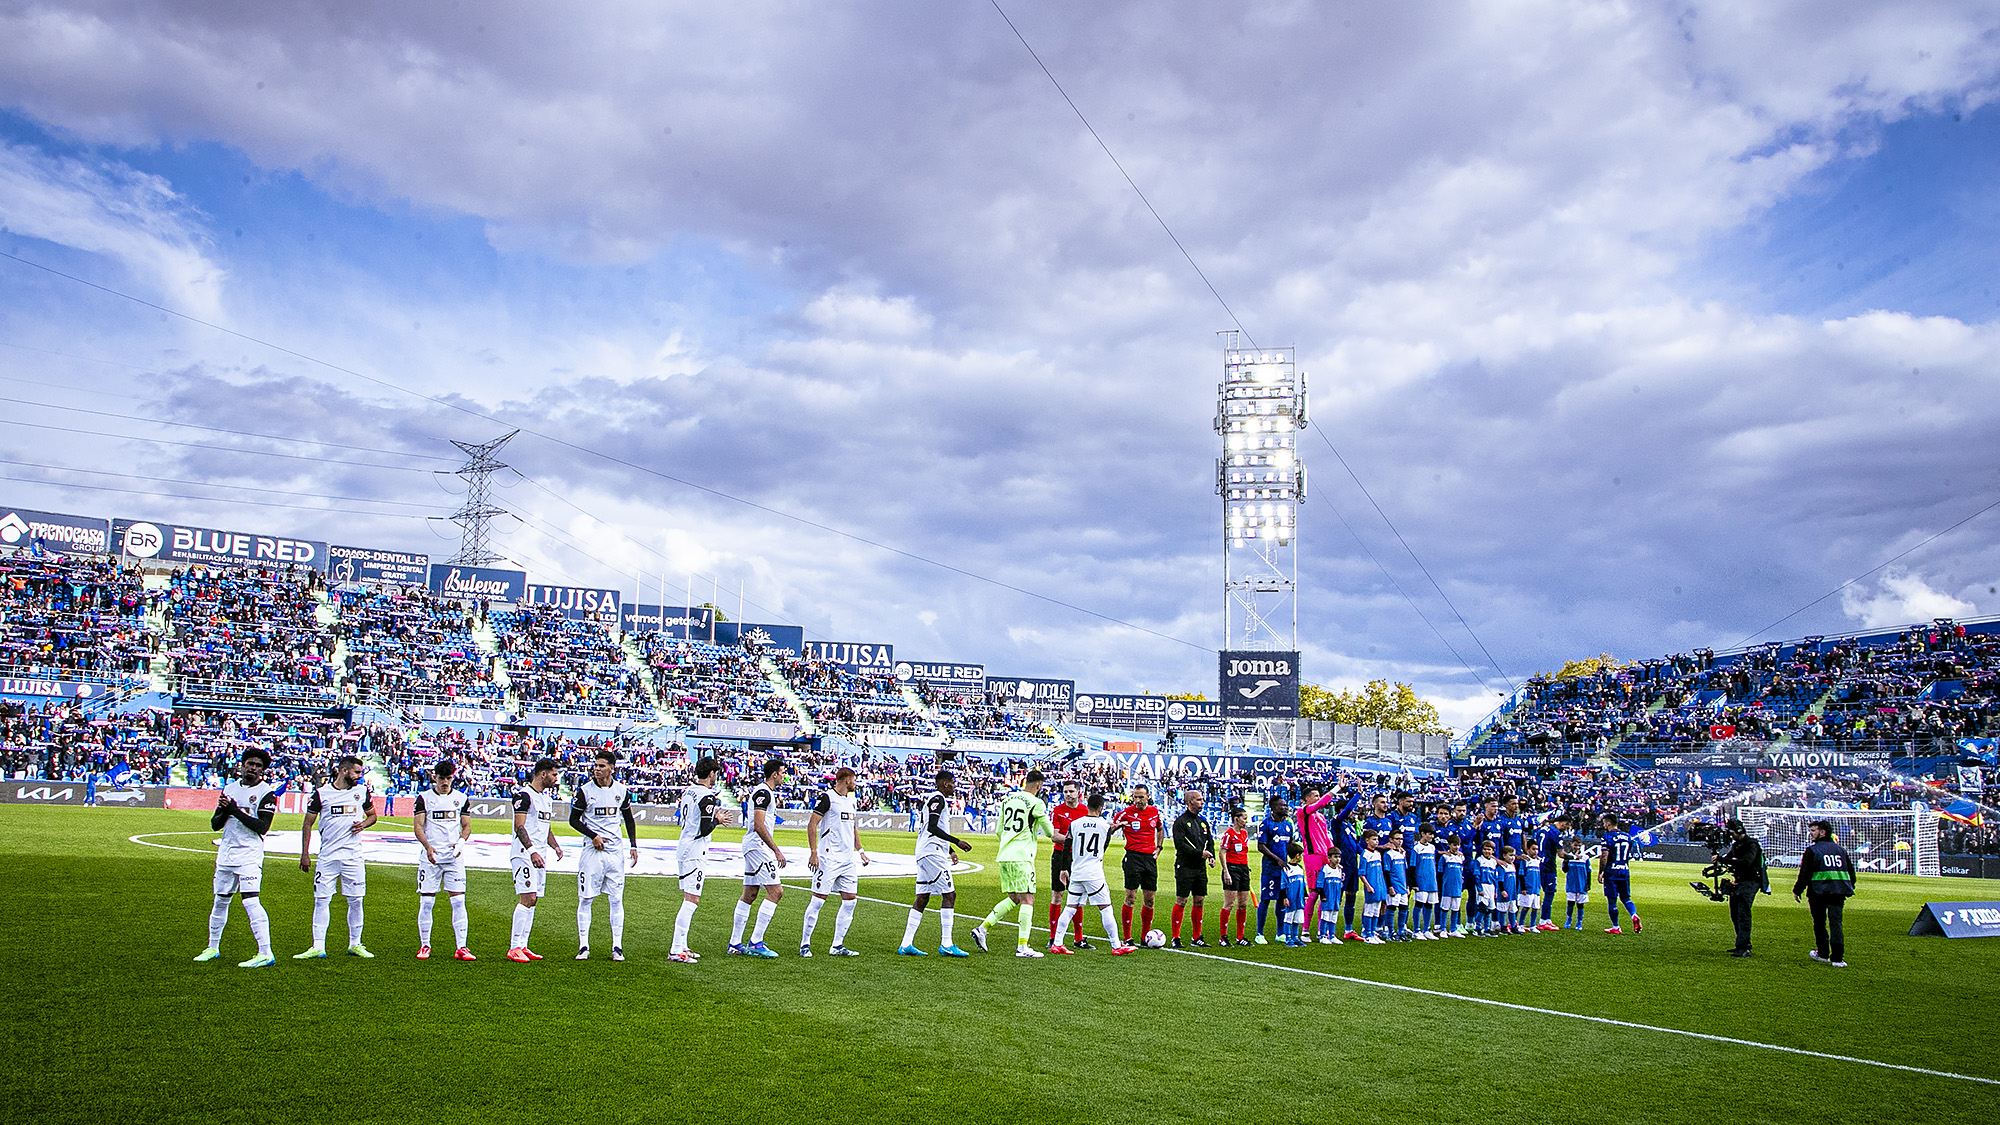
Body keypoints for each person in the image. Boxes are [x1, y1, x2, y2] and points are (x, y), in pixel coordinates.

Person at [193, 746, 278, 968]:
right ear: (242, 765)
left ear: (263, 771)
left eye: (258, 766)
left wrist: (234, 811)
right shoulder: (229, 788)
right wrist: (224, 810)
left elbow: (262, 826)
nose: (253, 768)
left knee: (250, 900)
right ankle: (213, 947)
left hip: (249, 854)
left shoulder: (266, 793)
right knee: (220, 900)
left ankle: (265, 953)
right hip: (227, 853)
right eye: (250, 763)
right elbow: (215, 824)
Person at [972, 768, 1061, 958]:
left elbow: (998, 831)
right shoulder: (1036, 803)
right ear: (1038, 785)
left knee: (1014, 897)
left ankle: (983, 928)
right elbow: (1050, 833)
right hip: (1022, 856)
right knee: (1028, 899)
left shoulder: (1008, 799)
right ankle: (1022, 946)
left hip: (1005, 854)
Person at [296, 755, 378, 959]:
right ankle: (318, 946)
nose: (360, 776)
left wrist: (363, 824)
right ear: (343, 770)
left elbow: (373, 816)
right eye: (357, 772)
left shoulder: (362, 791)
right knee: (321, 900)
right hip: (328, 856)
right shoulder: (321, 794)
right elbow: (308, 823)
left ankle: (355, 944)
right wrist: (305, 854)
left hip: (353, 856)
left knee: (356, 900)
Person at [1050, 792, 1138, 956]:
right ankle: (1116, 945)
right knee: (1105, 908)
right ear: (1100, 808)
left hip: (1076, 871)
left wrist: (1064, 869)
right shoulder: (1104, 825)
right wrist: (1113, 829)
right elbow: (1103, 848)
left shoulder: (1075, 823)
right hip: (1093, 873)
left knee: (1070, 907)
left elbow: (1067, 845)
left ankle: (1057, 943)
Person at [900, 769, 975, 957]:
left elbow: (931, 828)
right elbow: (933, 827)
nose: (954, 786)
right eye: (952, 782)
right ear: (944, 783)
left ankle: (906, 944)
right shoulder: (938, 798)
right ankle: (947, 944)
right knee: (949, 895)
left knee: (923, 898)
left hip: (927, 852)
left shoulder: (935, 800)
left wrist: (949, 850)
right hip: (931, 854)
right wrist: (956, 841)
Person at [572, 749, 638, 962]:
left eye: (601, 766)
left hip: (614, 853)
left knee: (616, 899)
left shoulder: (621, 790)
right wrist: (593, 836)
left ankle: (617, 946)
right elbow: (573, 820)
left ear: (612, 768)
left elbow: (629, 819)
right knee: (586, 898)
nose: (597, 769)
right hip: (593, 853)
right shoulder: (585, 791)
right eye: (596, 765)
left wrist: (633, 845)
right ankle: (584, 946)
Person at [801, 766, 870, 957]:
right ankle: (805, 944)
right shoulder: (827, 798)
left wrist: (861, 850)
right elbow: (812, 824)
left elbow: (853, 827)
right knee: (818, 901)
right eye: (854, 779)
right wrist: (814, 852)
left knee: (850, 901)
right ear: (846, 779)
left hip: (847, 860)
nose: (855, 783)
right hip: (829, 858)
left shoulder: (852, 801)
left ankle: (837, 945)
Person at [415, 758, 475, 961]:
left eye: (449, 778)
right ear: (435, 777)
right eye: (441, 778)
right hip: (430, 857)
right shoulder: (424, 798)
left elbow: (466, 826)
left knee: (458, 901)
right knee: (427, 903)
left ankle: (462, 947)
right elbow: (418, 827)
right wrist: (428, 847)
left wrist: (459, 844)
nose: (445, 782)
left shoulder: (461, 798)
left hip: (454, 858)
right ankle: (425, 945)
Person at [729, 758, 788, 958]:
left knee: (750, 893)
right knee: (776, 892)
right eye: (782, 772)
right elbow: (759, 825)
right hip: (758, 847)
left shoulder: (765, 792)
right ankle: (756, 941)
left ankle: (735, 943)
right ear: (774, 774)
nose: (784, 775)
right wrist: (776, 850)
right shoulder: (763, 792)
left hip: (753, 846)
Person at [506, 757, 563, 963]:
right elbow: (519, 826)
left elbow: (545, 828)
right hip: (524, 854)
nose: (556, 779)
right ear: (543, 774)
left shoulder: (546, 799)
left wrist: (555, 846)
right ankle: (514, 947)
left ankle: (523, 945)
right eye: (554, 774)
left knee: (534, 900)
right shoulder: (524, 795)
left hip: (540, 855)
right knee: (527, 898)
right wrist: (531, 851)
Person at [670, 757, 722, 963]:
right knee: (692, 900)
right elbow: (705, 828)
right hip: (695, 850)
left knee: (688, 898)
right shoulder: (707, 796)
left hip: (684, 846)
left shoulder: (688, 791)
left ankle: (682, 944)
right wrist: (716, 819)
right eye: (715, 773)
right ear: (711, 774)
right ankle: (676, 949)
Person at [1794, 819, 1856, 968]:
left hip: (1818, 892)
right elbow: (1851, 873)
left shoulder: (1812, 850)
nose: (1811, 834)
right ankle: (1838, 958)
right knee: (1836, 923)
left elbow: (1805, 873)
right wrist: (1848, 886)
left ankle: (1822, 953)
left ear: (1822, 832)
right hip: (1838, 891)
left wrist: (1798, 890)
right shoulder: (1840, 850)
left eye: (1813, 831)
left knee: (1819, 923)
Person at [1113, 784, 1165, 943]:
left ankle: (1145, 937)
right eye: (1135, 796)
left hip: (1149, 859)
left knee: (1149, 899)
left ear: (1148, 796)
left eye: (1141, 797)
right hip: (1133, 857)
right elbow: (1110, 828)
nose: (1138, 800)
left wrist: (1159, 847)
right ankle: (1127, 937)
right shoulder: (1125, 814)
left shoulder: (1155, 812)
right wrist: (1117, 827)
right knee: (1130, 897)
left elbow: (1160, 829)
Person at [1169, 788, 1215, 948]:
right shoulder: (1180, 822)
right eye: (1198, 799)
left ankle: (1197, 937)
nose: (1202, 802)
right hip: (1185, 866)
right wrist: (1199, 853)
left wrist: (1212, 857)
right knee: (1182, 900)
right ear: (1189, 802)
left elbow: (1210, 842)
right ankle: (1175, 937)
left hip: (1200, 868)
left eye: (1202, 799)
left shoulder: (1203, 822)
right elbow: (1180, 845)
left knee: (1200, 900)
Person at [1048, 780, 1089, 949]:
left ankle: (1078, 939)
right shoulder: (1058, 811)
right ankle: (1053, 938)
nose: (1068, 794)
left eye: (1071, 791)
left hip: (1079, 857)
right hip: (1060, 855)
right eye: (1065, 791)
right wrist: (1074, 840)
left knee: (1077, 897)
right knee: (1057, 895)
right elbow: (1054, 836)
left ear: (1078, 792)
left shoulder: (1085, 811)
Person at [1719, 818, 1766, 958]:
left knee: (1743, 914)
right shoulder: (1737, 845)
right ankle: (1741, 944)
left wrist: (1722, 860)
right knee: (1735, 914)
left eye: (1731, 832)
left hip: (1750, 882)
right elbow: (1729, 858)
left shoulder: (1751, 845)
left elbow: (1745, 862)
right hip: (1740, 882)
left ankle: (1745, 947)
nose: (1730, 835)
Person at [1254, 796, 1295, 944]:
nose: (1285, 808)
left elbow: (1291, 844)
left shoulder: (1288, 825)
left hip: (1284, 870)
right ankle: (1259, 933)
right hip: (1270, 869)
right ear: (1273, 807)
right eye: (1281, 805)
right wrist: (1277, 859)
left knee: (1281, 900)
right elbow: (1261, 846)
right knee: (1265, 899)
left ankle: (1280, 932)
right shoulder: (1266, 824)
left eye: (1285, 805)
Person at [1598, 813, 1642, 935]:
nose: (1604, 826)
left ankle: (1616, 926)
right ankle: (1634, 915)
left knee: (1612, 900)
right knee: (1626, 898)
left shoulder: (1607, 837)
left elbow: (1604, 856)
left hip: (1612, 872)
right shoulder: (1628, 837)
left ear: (1608, 823)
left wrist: (1601, 872)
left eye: (1604, 823)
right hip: (1624, 870)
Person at [1219, 804, 1251, 946]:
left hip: (1243, 869)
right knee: (1229, 904)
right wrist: (1226, 871)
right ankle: (1223, 936)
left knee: (1243, 904)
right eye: (1244, 818)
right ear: (1236, 819)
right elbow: (1222, 852)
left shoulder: (1244, 833)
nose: (1246, 821)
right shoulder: (1229, 834)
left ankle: (1240, 937)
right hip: (1232, 869)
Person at [1536, 813, 1569, 930]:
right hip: (1548, 865)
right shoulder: (1556, 833)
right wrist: (1573, 857)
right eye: (1566, 826)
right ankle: (1543, 920)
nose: (1566, 829)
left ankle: (1520, 921)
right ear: (1564, 823)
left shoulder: (1542, 829)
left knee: (1533, 892)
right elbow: (1561, 854)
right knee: (1549, 892)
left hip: (1537, 863)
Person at [1357, 829, 1387, 944]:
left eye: (1377, 839)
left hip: (1379, 886)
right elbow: (1361, 873)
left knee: (1376, 910)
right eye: (1374, 839)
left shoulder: (1378, 854)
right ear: (1367, 841)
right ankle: (1367, 933)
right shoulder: (1365, 854)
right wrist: (1368, 886)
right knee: (1369, 910)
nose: (1376, 842)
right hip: (1371, 886)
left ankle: (1373, 932)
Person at [1411, 824, 1440, 940]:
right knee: (1419, 904)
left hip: (1431, 881)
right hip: (1421, 881)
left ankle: (1426, 929)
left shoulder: (1432, 848)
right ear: (1422, 833)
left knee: (1429, 905)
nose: (1432, 836)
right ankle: (1416, 930)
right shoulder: (1416, 848)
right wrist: (1414, 883)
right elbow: (1412, 866)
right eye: (1430, 834)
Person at [1280, 843, 1309, 946]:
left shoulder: (1300, 868)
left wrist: (1305, 895)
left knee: (1298, 917)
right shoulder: (1286, 868)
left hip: (1299, 897)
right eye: (1301, 855)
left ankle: (1295, 937)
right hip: (1291, 897)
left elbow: (1303, 883)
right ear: (1297, 855)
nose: (1301, 857)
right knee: (1289, 917)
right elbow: (1283, 885)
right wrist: (1284, 898)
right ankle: (1288, 938)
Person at [1562, 836, 1592, 930]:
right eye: (1575, 845)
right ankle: (1569, 920)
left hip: (1581, 884)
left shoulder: (1585, 857)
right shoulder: (1569, 856)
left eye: (1579, 845)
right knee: (1570, 903)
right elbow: (1564, 870)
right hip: (1571, 884)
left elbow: (1589, 871)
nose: (1577, 847)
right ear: (1571, 844)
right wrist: (1566, 861)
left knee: (1580, 904)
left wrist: (1588, 884)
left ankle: (1579, 922)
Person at [1437, 835, 1464, 937]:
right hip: (1447, 887)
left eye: (1458, 845)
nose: (1456, 847)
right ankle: (1443, 929)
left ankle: (1453, 929)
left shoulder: (1461, 857)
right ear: (1449, 845)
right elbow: (1440, 873)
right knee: (1444, 908)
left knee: (1456, 908)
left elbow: (1462, 872)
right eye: (1454, 845)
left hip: (1457, 888)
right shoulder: (1445, 857)